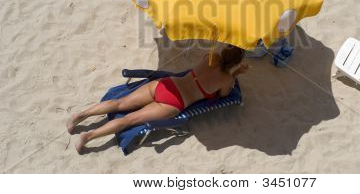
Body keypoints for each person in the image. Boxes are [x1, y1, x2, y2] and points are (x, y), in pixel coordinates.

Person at [67, 45, 250, 154]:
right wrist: (237, 73)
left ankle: (80, 115)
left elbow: (215, 62)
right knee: (128, 120)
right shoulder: (227, 79)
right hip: (175, 101)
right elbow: (224, 95)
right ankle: (88, 136)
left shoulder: (211, 57)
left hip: (165, 84)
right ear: (236, 63)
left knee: (119, 103)